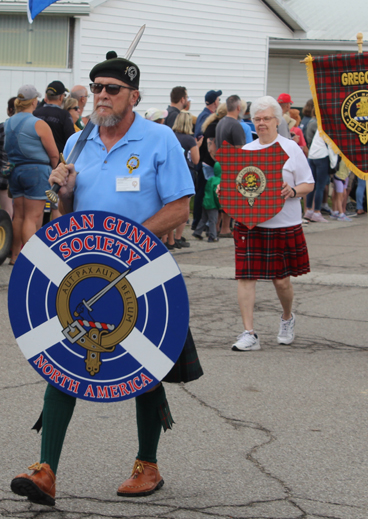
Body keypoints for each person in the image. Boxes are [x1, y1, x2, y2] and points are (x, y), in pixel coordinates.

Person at [10, 51, 203, 506]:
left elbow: (180, 208)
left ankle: (146, 465)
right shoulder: (79, 143)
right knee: (64, 365)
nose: (101, 95)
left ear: (133, 96)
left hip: (144, 271)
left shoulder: (160, 140)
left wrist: (125, 241)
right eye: (96, 88)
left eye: (111, 89)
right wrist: (65, 194)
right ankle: (45, 471)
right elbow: (67, 218)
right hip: (87, 276)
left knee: (145, 368)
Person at [230, 96, 314, 352]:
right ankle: (249, 333)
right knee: (246, 277)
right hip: (250, 225)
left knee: (282, 282)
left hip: (283, 224)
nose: (262, 123)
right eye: (257, 119)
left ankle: (287, 318)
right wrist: (228, 190)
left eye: (266, 118)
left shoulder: (291, 149)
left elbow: (308, 184)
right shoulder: (246, 151)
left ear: (277, 120)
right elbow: (239, 187)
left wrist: (293, 191)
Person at [4, 85, 59, 265]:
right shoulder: (37, 123)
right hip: (36, 171)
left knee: (18, 215)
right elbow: (53, 154)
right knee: (32, 217)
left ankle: (15, 257)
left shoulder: (8, 123)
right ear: (34, 101)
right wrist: (53, 172)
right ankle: (33, 259)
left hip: (15, 171)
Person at [166, 111, 203, 249]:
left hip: (171, 173)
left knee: (170, 207)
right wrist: (197, 145)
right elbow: (195, 159)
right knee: (183, 207)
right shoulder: (189, 139)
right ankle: (178, 237)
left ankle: (168, 238)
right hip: (187, 174)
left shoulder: (171, 136)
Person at [216, 95, 246, 236]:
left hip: (221, 162)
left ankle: (217, 227)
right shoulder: (236, 125)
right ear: (238, 108)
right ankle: (225, 229)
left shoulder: (220, 122)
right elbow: (240, 149)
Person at [192, 136, 221, 242]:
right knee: (213, 220)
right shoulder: (219, 182)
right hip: (213, 204)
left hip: (205, 202)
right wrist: (219, 205)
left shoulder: (210, 179)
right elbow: (216, 194)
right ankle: (212, 235)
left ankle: (197, 232)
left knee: (203, 219)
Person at [33, 81, 75, 153]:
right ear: (61, 97)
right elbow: (71, 139)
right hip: (58, 158)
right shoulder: (64, 115)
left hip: (38, 156)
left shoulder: (35, 113)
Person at [304, 130, 332, 223]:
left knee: (312, 185)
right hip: (322, 156)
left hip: (312, 155)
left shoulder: (319, 127)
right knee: (320, 187)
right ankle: (317, 212)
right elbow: (332, 147)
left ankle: (308, 210)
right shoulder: (329, 128)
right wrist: (333, 164)